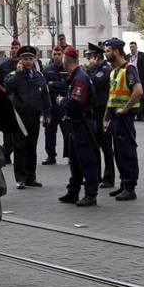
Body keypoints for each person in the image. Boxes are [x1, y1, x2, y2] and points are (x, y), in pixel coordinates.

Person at [56, 46, 101, 207]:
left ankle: (91, 194)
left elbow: (76, 102)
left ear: (66, 62)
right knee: (75, 161)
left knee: (87, 160)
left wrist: (62, 101)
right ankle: (73, 191)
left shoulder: (80, 78)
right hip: (76, 124)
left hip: (83, 124)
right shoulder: (76, 76)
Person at [3, 45, 49, 190]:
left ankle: (31, 176)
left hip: (34, 117)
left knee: (32, 147)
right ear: (20, 60)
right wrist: (18, 73)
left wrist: (47, 114)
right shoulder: (13, 75)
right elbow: (8, 87)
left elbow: (45, 97)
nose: (28, 62)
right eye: (25, 59)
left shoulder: (39, 76)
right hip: (20, 117)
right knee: (20, 147)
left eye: (30, 59)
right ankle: (20, 178)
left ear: (34, 60)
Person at [103, 38, 143, 201]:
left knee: (127, 151)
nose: (106, 53)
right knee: (119, 152)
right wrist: (106, 117)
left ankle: (130, 186)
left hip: (124, 117)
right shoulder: (114, 72)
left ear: (117, 51)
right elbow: (112, 96)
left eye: (108, 50)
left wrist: (125, 108)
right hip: (115, 118)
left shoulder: (129, 69)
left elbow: (138, 91)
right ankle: (123, 184)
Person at [85, 42, 116, 187]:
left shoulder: (106, 69)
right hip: (94, 111)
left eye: (90, 57)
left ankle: (109, 178)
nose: (89, 60)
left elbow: (93, 83)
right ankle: (95, 176)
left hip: (104, 112)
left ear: (97, 57)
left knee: (106, 145)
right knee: (94, 145)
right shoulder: (95, 69)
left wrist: (90, 70)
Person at [42, 47, 69, 165]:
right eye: (55, 54)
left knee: (67, 131)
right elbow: (44, 86)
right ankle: (51, 155)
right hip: (51, 104)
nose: (57, 56)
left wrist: (53, 84)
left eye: (59, 54)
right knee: (49, 131)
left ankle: (70, 155)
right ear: (52, 55)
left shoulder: (67, 69)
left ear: (62, 55)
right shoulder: (48, 70)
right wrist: (58, 85)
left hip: (64, 104)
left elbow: (67, 85)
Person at [0, 38, 21, 165]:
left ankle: (18, 156)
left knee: (19, 133)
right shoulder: (4, 66)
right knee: (7, 132)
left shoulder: (27, 65)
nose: (14, 50)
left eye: (16, 48)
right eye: (12, 48)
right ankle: (6, 154)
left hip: (21, 105)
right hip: (7, 104)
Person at [128, 41, 144, 121]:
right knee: (134, 99)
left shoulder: (143, 55)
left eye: (133, 46)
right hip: (131, 82)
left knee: (143, 98)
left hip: (142, 80)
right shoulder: (127, 57)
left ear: (136, 47)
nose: (132, 48)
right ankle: (137, 115)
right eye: (131, 47)